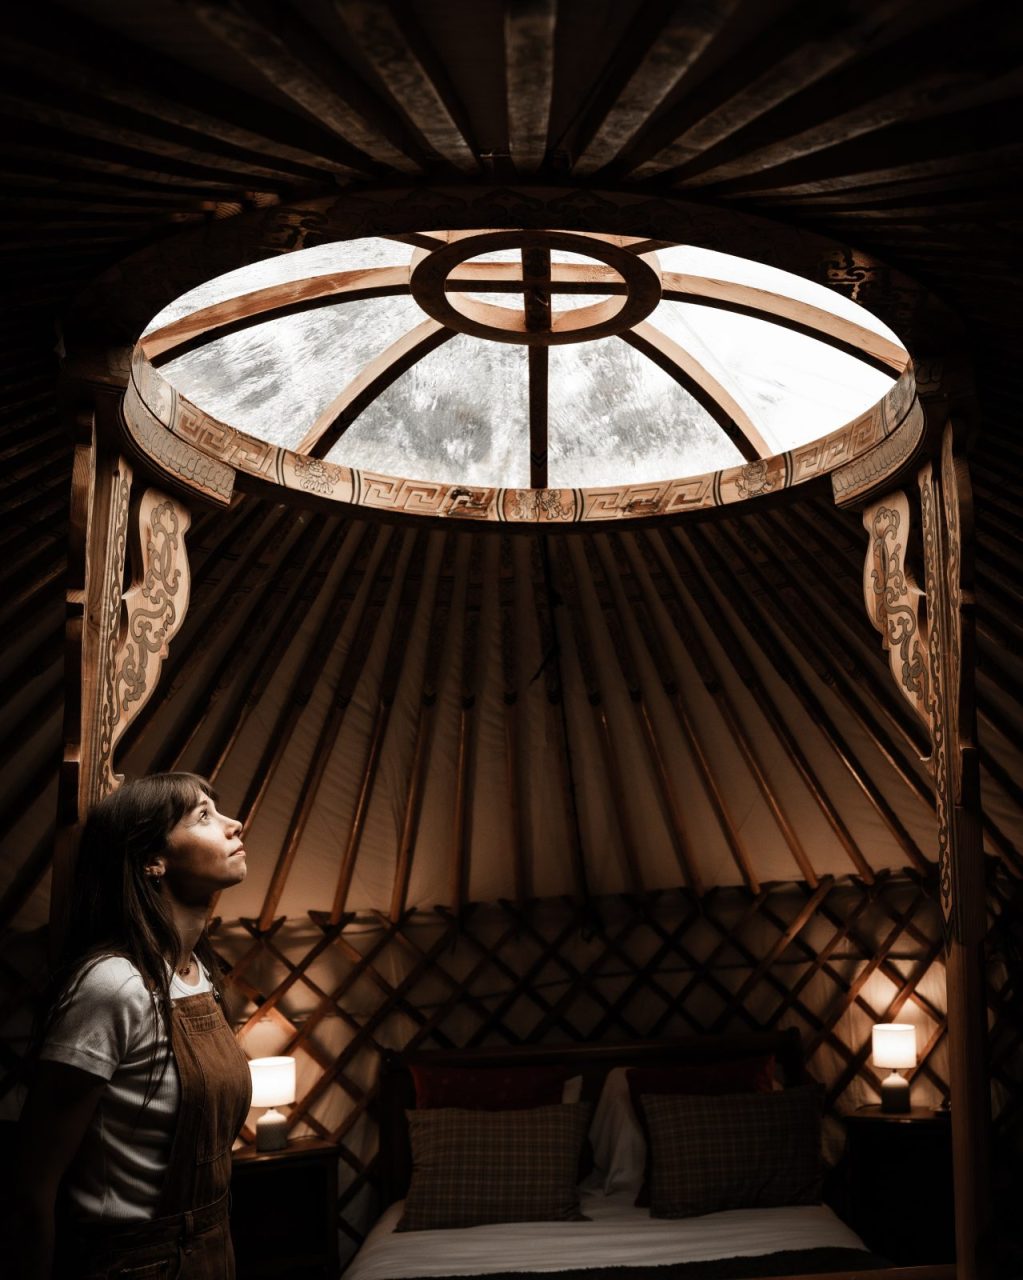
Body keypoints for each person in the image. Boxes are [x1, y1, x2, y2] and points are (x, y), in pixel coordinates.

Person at [14, 772, 251, 1279]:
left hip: (213, 1252)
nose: (234, 824)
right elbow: (33, 1181)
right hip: (136, 1264)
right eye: (203, 816)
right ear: (152, 860)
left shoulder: (201, 975)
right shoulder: (112, 986)